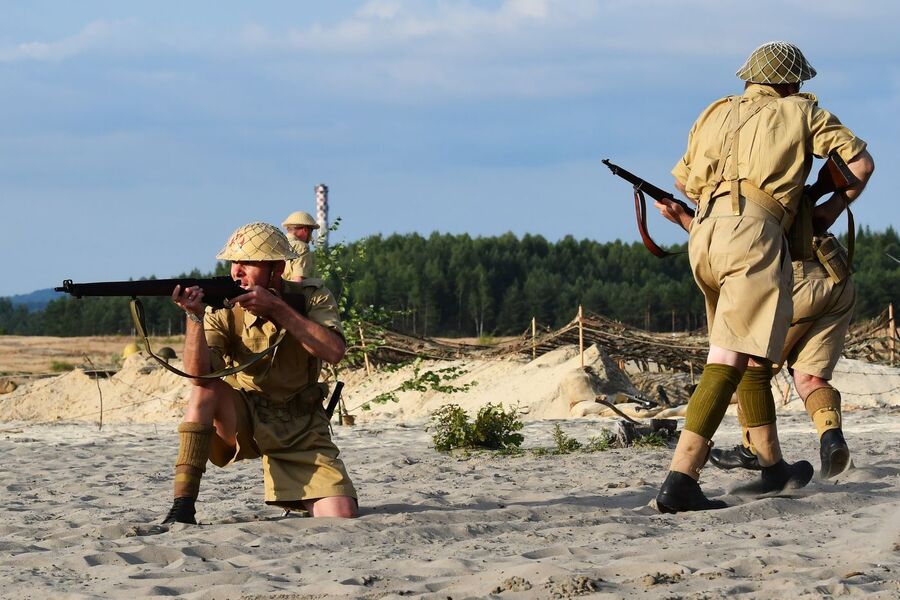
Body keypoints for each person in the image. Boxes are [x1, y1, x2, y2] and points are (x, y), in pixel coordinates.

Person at [654, 41, 873, 513]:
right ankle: (681, 478)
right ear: (792, 82)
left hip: (704, 236)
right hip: (754, 237)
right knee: (730, 357)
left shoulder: (714, 111)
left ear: (749, 79)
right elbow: (860, 164)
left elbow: (681, 182)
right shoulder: (802, 111)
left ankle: (772, 468)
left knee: (749, 349)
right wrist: (827, 211)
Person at [659, 184, 867, 481]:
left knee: (749, 365)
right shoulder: (782, 180)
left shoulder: (744, 193)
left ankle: (753, 449)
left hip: (794, 278)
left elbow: (736, 240)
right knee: (811, 377)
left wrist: (684, 220)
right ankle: (832, 438)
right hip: (835, 273)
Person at [163, 222, 357, 524]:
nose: (236, 272)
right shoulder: (224, 308)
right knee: (206, 390)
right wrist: (194, 317)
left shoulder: (311, 297)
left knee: (341, 516)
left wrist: (278, 310)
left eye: (248, 263)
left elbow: (333, 351)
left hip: (300, 424)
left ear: (276, 268)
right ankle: (183, 506)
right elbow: (199, 376)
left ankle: (298, 495)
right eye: (233, 263)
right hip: (244, 416)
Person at [282, 211, 320, 282]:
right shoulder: (301, 247)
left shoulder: (277, 242)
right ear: (305, 230)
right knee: (321, 289)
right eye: (311, 230)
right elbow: (298, 282)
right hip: (285, 291)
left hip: (268, 290)